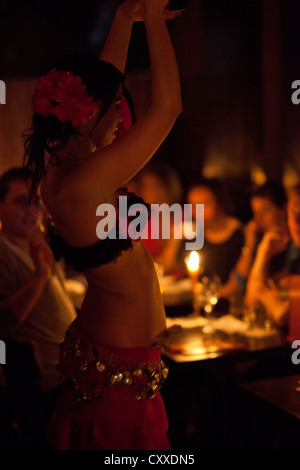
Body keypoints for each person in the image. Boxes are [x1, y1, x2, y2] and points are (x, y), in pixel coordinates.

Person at [24, 0, 182, 451]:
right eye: (117, 109)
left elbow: (103, 88)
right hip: (115, 377)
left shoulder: (66, 168)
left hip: (108, 361)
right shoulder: (82, 183)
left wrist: (125, 17)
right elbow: (168, 108)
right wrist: (153, 16)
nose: (122, 121)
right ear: (87, 115)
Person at [0, 167, 77, 447]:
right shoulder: (3, 253)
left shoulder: (39, 246)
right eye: (22, 201)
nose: (32, 210)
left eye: (37, 202)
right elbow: (2, 325)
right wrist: (39, 278)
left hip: (70, 370)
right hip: (44, 383)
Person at [245, 184, 300, 327]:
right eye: (293, 213)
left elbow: (285, 316)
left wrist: (270, 301)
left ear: (281, 210)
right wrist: (262, 253)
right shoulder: (276, 244)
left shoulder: (293, 246)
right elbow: (252, 301)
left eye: (266, 210)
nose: (296, 221)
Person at [185, 178, 244, 297]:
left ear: (221, 202)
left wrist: (210, 297)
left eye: (205, 204)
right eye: (194, 206)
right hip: (204, 303)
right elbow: (169, 268)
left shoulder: (240, 235)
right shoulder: (195, 234)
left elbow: (238, 285)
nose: (199, 212)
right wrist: (174, 239)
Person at [137, 161, 184, 275]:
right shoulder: (143, 222)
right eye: (144, 186)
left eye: (151, 186)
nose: (144, 192)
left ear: (166, 188)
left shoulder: (184, 219)